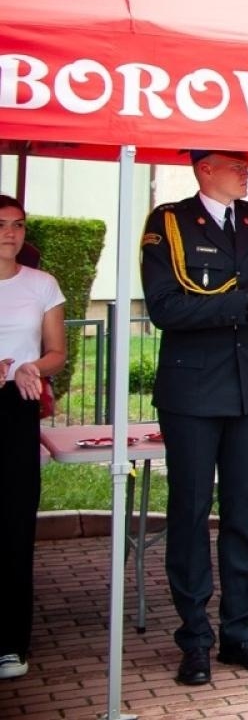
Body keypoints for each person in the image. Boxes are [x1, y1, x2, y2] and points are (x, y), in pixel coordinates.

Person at [139, 150, 248, 685]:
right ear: (206, 169)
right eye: (236, 164)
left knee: (242, 516)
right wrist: (246, 299)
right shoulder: (170, 223)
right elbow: (167, 309)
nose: (247, 173)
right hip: (192, 389)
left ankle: (239, 633)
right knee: (189, 513)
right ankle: (195, 639)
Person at [0, 195, 66, 681]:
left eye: (18, 225)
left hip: (15, 405)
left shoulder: (41, 284)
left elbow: (56, 352)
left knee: (15, 523)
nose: (10, 233)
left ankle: (11, 641)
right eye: (2, 225)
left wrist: (32, 367)